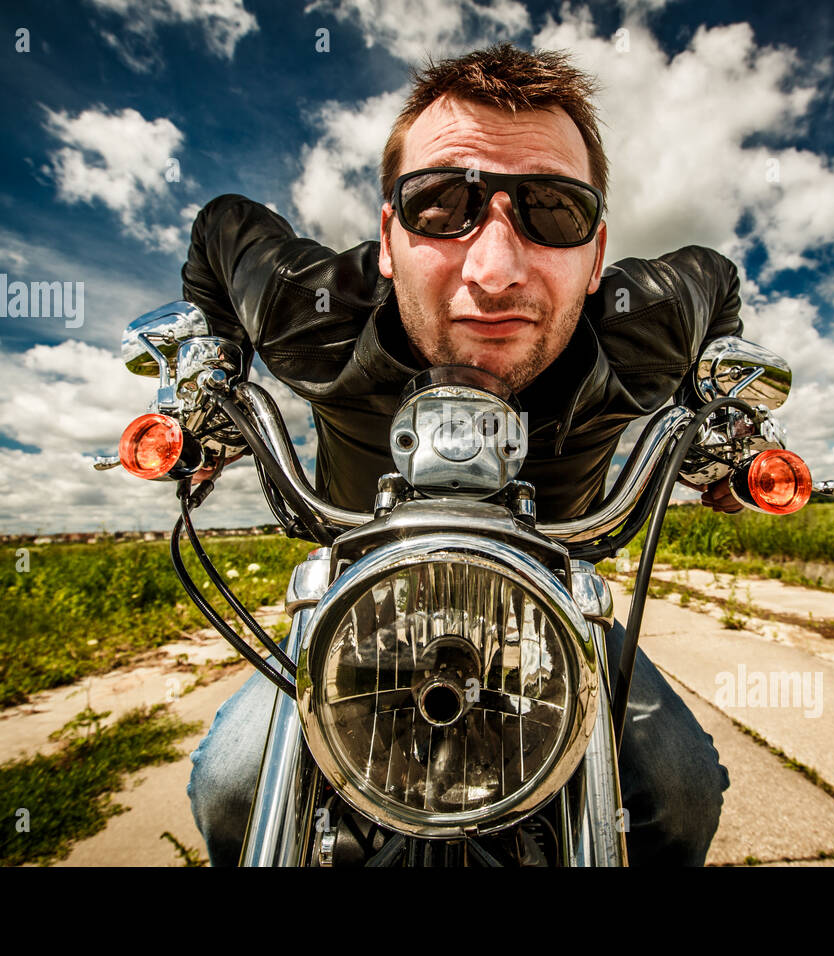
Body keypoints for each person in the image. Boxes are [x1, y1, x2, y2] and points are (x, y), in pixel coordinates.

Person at [184, 43, 742, 866]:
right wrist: (211, 379)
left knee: (681, 795)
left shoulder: (645, 324)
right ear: (386, 237)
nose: (495, 271)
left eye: (554, 211)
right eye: (442, 204)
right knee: (230, 790)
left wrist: (718, 415)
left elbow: (716, 283)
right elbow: (219, 229)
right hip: (357, 605)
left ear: (596, 257)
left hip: (557, 611)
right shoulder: (311, 309)